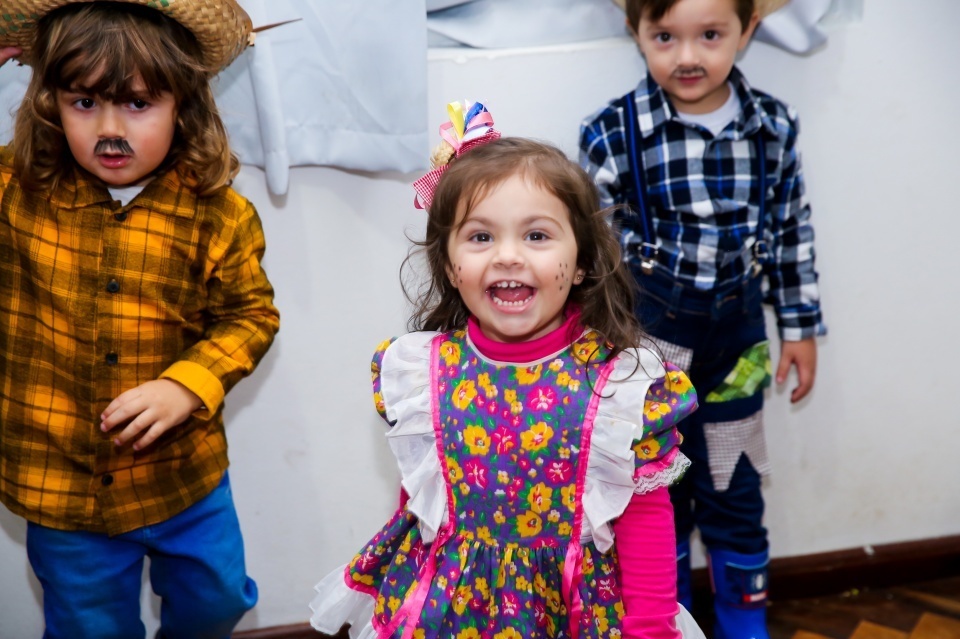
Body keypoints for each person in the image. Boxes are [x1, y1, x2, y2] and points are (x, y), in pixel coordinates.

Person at [310, 101, 705, 639]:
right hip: (451, 612)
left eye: (536, 236)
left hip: (573, 613)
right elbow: (422, 496)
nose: (508, 256)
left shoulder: (618, 387)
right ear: (450, 265)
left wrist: (651, 629)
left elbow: (645, 516)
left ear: (582, 262)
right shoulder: (423, 373)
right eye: (481, 237)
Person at [0, 1, 280, 637]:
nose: (109, 130)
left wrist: (188, 385)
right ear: (49, 103)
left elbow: (250, 316)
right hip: (61, 486)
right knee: (89, 628)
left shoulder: (219, 215)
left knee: (218, 601)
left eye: (136, 103)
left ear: (183, 103)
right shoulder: (16, 190)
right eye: (83, 102)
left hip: (181, 479)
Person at [578, 0, 826, 637]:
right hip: (648, 343)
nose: (687, 57)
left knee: (733, 483)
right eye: (665, 36)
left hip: (740, 344)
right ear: (635, 31)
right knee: (654, 490)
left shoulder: (773, 125)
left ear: (748, 29)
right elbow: (595, 256)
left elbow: (791, 232)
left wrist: (799, 327)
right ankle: (664, 621)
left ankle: (744, 623)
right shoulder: (611, 132)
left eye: (710, 34)